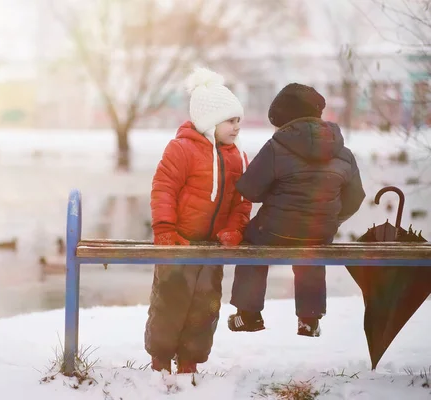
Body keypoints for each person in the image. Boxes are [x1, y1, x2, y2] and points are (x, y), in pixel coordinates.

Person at [227, 83, 366, 337]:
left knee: (252, 244)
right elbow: (356, 197)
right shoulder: (342, 151)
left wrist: (275, 194)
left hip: (273, 230)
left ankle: (248, 316)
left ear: (284, 119)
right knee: (312, 246)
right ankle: (309, 319)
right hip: (319, 231)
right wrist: (331, 219)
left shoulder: (276, 147)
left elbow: (249, 189)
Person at [144, 67, 252, 374]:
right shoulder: (181, 149)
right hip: (178, 242)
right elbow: (163, 188)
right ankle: (161, 359)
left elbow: (242, 201)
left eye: (238, 121)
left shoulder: (238, 157)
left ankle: (190, 360)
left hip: (212, 247)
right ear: (210, 120)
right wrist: (164, 229)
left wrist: (234, 228)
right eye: (231, 120)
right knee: (170, 302)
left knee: (206, 306)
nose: (237, 127)